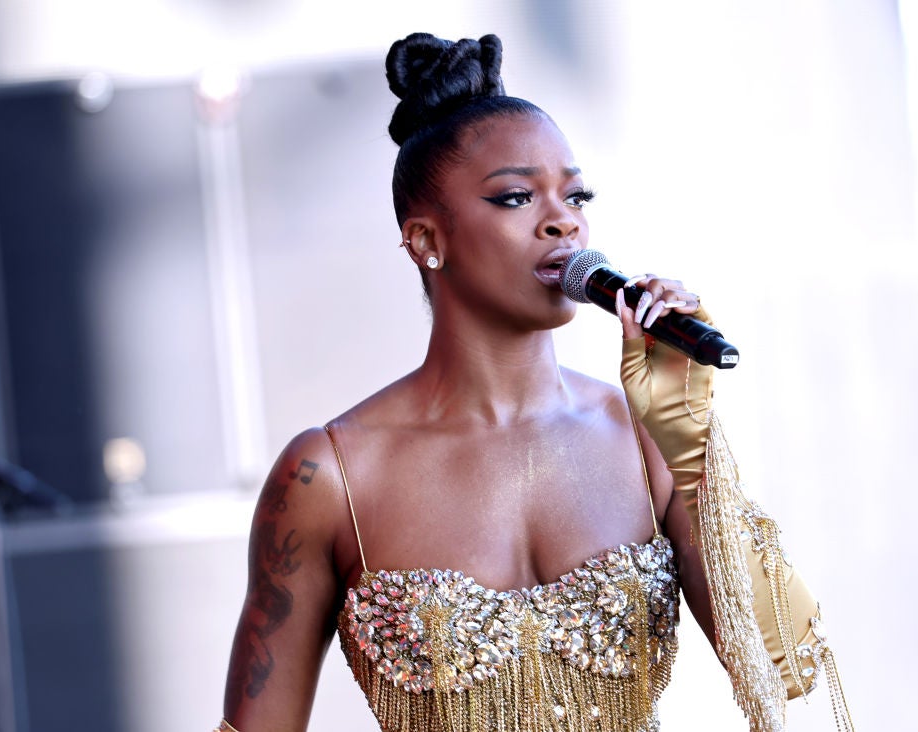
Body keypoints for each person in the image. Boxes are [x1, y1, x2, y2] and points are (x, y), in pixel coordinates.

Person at [216, 32, 850, 732]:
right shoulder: (329, 476)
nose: (564, 221)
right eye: (517, 197)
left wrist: (689, 442)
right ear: (427, 241)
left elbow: (788, 667)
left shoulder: (644, 440)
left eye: (577, 195)